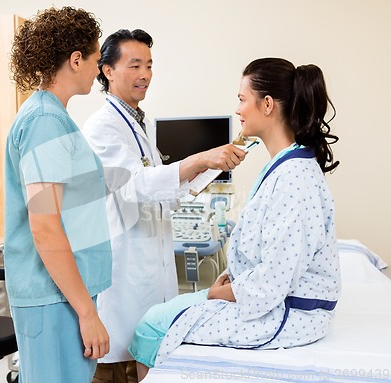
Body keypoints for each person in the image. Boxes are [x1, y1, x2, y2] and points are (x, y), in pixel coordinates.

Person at [128, 57, 342, 381]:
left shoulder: (294, 178)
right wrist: (229, 278)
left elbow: (273, 280)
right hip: (266, 297)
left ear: (267, 105)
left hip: (290, 313)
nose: (238, 110)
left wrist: (217, 294)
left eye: (242, 100)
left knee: (153, 326)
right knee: (164, 314)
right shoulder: (285, 168)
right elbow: (269, 253)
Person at [82, 29, 247, 383]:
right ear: (107, 71)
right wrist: (201, 156)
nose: (145, 74)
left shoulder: (139, 127)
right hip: (123, 283)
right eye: (135, 65)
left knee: (148, 363)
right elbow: (135, 186)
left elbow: (166, 195)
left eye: (150, 65)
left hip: (150, 281)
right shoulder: (101, 128)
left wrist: (209, 166)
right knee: (119, 369)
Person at [4, 7, 113, 383]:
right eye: (97, 60)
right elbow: (45, 227)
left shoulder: (52, 118)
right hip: (54, 298)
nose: (99, 70)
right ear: (76, 59)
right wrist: (87, 313)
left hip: (62, 294)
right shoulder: (45, 123)